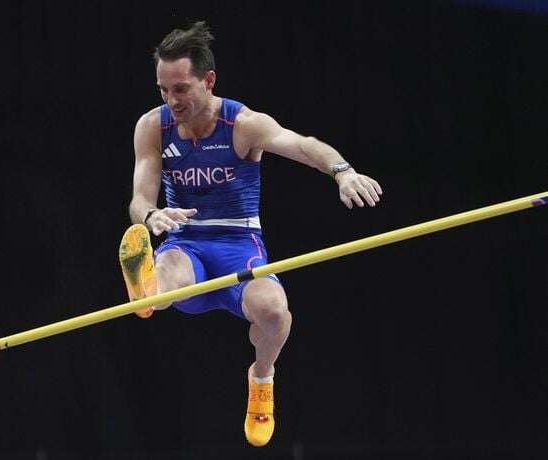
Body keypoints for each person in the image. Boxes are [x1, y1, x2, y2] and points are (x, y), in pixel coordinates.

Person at [118, 21, 382, 447]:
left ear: (209, 80)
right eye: (163, 90)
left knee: (275, 312)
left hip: (238, 246)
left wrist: (343, 172)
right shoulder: (153, 126)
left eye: (181, 89)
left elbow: (302, 145)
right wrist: (150, 217)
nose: (172, 100)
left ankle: (262, 377)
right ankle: (146, 293)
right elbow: (139, 197)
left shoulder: (243, 124)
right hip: (186, 242)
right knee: (169, 275)